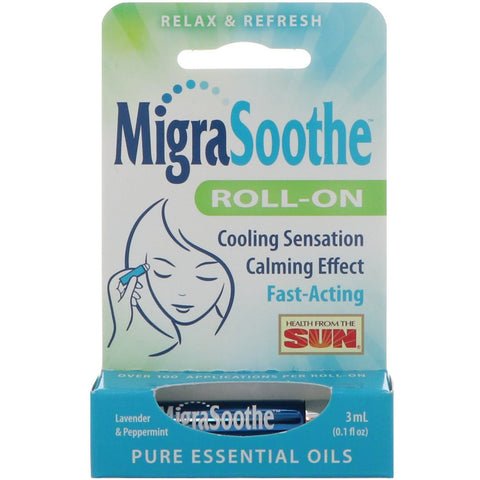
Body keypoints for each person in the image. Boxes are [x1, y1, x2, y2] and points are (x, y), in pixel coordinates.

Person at [107, 198, 234, 359]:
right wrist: (122, 330)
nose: (183, 292)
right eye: (163, 271)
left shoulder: (239, 344)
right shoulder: (148, 346)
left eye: (205, 276)